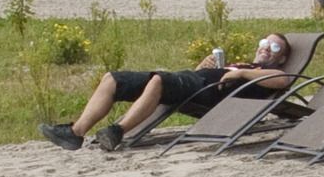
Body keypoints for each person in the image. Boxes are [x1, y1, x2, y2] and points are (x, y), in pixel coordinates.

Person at [41, 33, 295, 153]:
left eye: (274, 47)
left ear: (282, 56)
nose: (266, 49)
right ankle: (75, 132)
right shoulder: (244, 63)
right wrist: (204, 68)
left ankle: (117, 131)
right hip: (192, 81)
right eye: (264, 43)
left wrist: (240, 74)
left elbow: (284, 81)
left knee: (159, 81)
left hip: (205, 94)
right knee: (112, 79)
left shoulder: (266, 72)